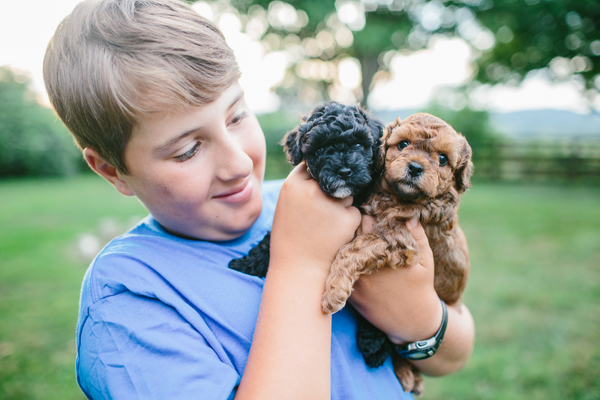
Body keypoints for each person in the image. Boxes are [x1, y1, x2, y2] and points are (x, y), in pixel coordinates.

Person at [43, 0, 475, 399]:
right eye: (187, 150)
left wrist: (418, 316)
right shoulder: (127, 305)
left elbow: (454, 353)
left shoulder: (315, 201)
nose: (237, 163)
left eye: (236, 115)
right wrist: (301, 264)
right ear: (112, 170)